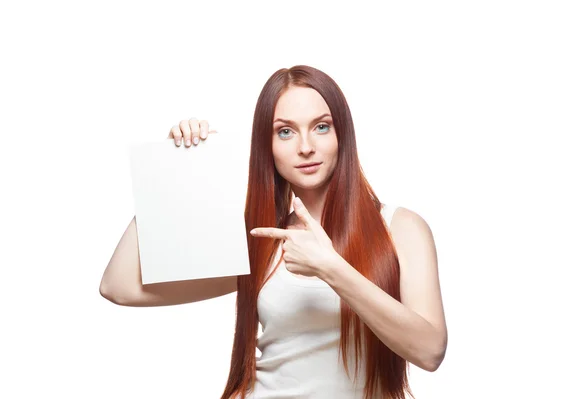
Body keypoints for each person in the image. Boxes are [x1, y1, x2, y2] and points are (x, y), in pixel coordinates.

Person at [99, 65, 447, 399]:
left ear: (343, 133)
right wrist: (169, 174)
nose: (305, 146)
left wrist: (331, 267)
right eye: (285, 131)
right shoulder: (261, 239)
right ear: (267, 145)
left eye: (321, 126)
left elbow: (429, 351)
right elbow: (119, 287)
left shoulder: (400, 228)